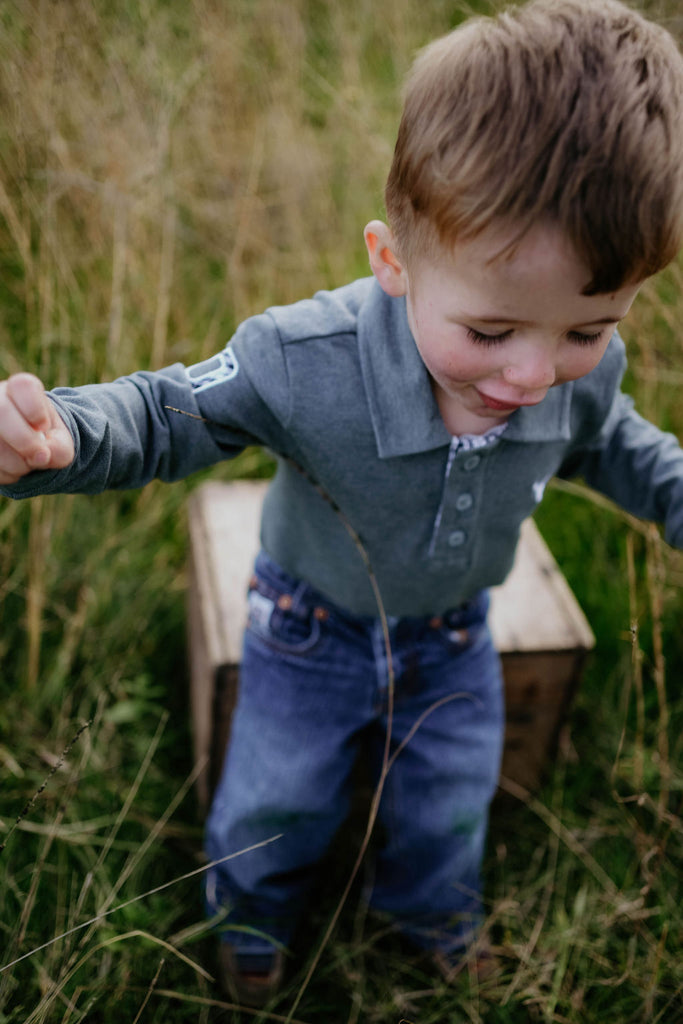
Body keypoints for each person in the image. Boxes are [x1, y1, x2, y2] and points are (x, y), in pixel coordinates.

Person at [2, 0, 683, 1006]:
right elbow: (167, 411)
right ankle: (249, 924)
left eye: (584, 329)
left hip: (454, 634)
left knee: (449, 798)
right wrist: (62, 434)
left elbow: (614, 445)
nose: (535, 373)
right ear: (392, 261)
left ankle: (432, 913)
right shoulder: (302, 361)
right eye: (491, 331)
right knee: (276, 798)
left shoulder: (573, 372)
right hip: (305, 631)